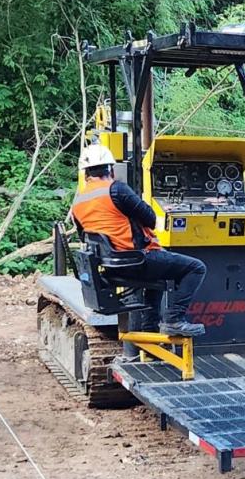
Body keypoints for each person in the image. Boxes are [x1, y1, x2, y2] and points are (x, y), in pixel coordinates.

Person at [70, 144, 207, 341]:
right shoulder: (116, 189)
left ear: (86, 173)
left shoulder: (79, 202)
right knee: (195, 268)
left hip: (111, 266)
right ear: (110, 168)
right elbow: (150, 218)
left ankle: (149, 331)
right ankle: (174, 319)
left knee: (158, 274)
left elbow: (85, 236)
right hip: (136, 261)